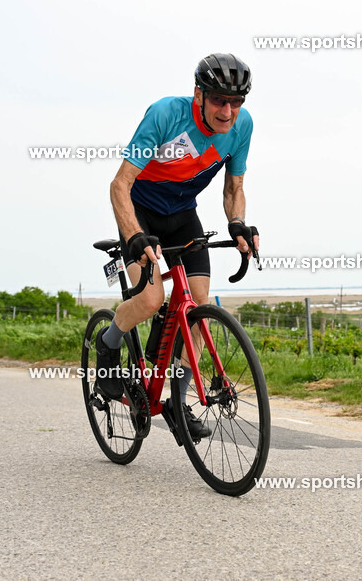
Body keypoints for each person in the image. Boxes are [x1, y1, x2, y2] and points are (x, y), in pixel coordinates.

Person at [95, 53, 260, 441]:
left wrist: (236, 223)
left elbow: (234, 188)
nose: (228, 110)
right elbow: (120, 184)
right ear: (198, 95)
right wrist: (134, 235)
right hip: (141, 211)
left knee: (198, 309)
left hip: (183, 215)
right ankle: (108, 345)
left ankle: (177, 402)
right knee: (152, 300)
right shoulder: (166, 115)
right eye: (219, 100)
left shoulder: (242, 127)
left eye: (236, 102)